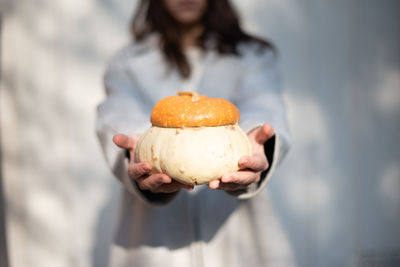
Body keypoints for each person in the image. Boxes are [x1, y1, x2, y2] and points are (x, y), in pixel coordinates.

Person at [96, 0, 295, 266]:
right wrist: (141, 144)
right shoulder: (128, 61)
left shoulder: (251, 55)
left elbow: (263, 103)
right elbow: (117, 111)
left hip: (237, 236)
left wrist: (255, 136)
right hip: (153, 239)